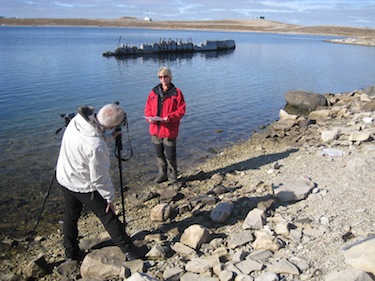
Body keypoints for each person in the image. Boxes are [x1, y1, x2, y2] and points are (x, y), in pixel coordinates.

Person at [56, 103, 134, 262]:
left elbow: (93, 134)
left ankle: (70, 254)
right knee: (108, 215)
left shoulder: (78, 120)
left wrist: (110, 138)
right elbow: (99, 178)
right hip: (83, 185)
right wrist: (110, 198)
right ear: (113, 125)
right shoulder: (97, 146)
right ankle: (129, 250)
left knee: (71, 215)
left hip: (64, 176)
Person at [144, 66, 186, 183]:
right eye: (160, 77)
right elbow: (147, 107)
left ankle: (173, 176)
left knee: (170, 154)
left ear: (170, 77)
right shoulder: (154, 92)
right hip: (155, 129)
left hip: (169, 129)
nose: (163, 79)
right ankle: (162, 174)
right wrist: (149, 118)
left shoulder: (176, 93)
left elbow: (181, 110)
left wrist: (170, 117)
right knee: (159, 154)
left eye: (165, 76)